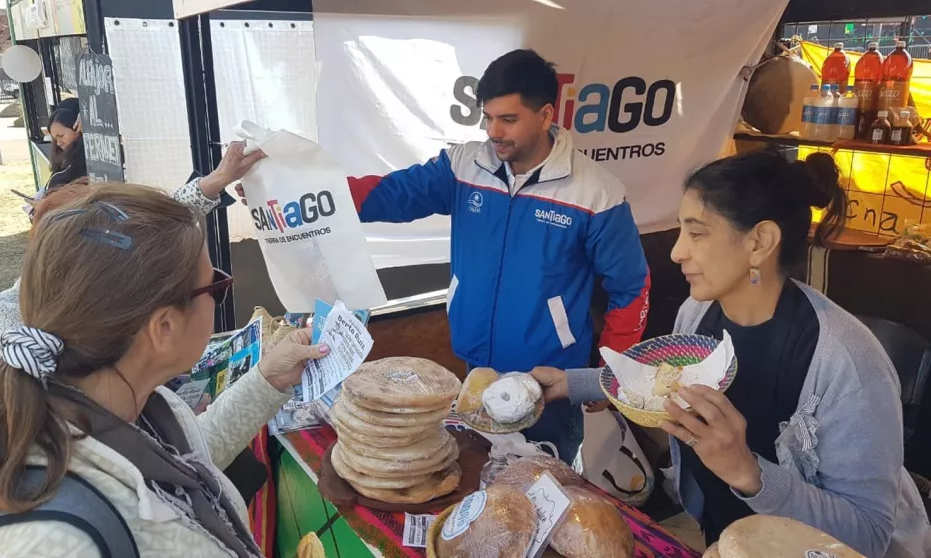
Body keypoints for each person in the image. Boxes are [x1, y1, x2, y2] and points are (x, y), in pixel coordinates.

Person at [224, 49, 651, 464]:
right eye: (487, 118)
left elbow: (630, 287)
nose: (494, 132)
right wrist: (287, 193)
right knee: (482, 489)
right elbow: (390, 194)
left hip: (549, 383)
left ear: (545, 115)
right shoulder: (464, 166)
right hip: (474, 370)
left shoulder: (596, 193)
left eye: (508, 119)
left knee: (543, 490)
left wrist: (609, 375)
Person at [531, 150, 931, 557]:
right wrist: (574, 383)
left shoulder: (848, 363)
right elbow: (663, 383)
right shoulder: (698, 312)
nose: (676, 252)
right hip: (725, 538)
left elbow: (869, 535)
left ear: (760, 242)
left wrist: (748, 473)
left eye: (697, 233)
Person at [0, 183, 329, 557]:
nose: (219, 294)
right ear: (163, 328)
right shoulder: (50, 543)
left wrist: (269, 381)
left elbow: (185, 461)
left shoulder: (144, 405)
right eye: (215, 287)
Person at [0, 142, 264, 385]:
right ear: (164, 326)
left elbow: (142, 236)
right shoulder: (95, 393)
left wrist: (215, 180)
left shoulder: (77, 290)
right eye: (215, 286)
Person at [44, 98, 86, 191]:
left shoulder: (85, 158)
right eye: (55, 139)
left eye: (61, 136)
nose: (59, 143)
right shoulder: (63, 158)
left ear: (77, 127)